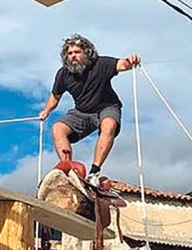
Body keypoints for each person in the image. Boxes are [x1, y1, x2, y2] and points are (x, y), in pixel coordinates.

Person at [38, 34, 140, 186]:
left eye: (77, 52)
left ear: (87, 53)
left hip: (107, 107)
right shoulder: (63, 74)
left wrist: (130, 61)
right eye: (70, 53)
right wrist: (46, 110)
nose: (73, 56)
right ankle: (69, 170)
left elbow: (121, 64)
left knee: (109, 124)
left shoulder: (101, 64)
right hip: (82, 111)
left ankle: (94, 171)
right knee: (58, 128)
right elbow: (55, 95)